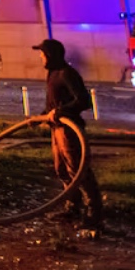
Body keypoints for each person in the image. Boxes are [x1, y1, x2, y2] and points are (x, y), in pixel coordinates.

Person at [34, 38, 103, 231]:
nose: (41, 57)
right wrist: (41, 117)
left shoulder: (67, 74)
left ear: (52, 55)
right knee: (62, 170)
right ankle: (72, 206)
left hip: (70, 130)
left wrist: (61, 112)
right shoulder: (52, 74)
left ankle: (93, 214)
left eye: (43, 54)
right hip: (56, 129)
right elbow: (53, 105)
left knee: (78, 170)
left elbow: (83, 101)